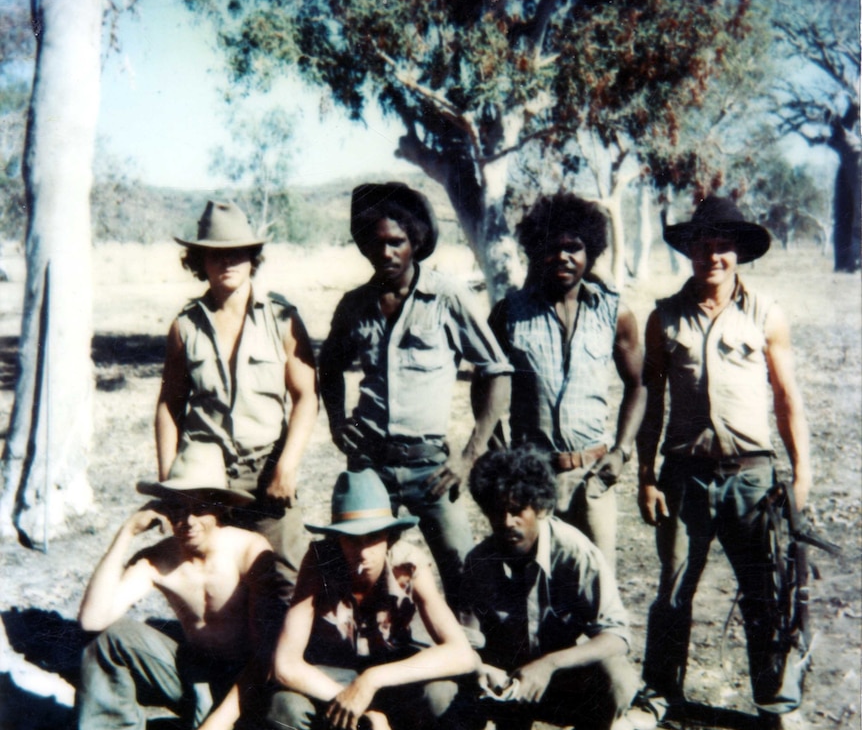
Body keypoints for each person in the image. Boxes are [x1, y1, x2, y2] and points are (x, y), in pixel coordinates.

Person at [632, 196, 814, 730]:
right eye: (704, 243)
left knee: (767, 594)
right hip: (684, 475)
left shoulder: (765, 313)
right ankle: (660, 695)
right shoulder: (663, 316)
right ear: (689, 249)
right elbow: (650, 399)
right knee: (673, 590)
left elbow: (786, 398)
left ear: (738, 252)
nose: (714, 254)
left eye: (724, 244)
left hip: (753, 478)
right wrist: (646, 474)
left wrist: (801, 472)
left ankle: (778, 710)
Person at [64, 458, 289, 730]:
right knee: (108, 638)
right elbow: (92, 619)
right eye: (177, 508)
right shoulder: (158, 559)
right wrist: (126, 534)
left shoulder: (250, 551)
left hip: (245, 687)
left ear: (220, 508)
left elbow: (265, 656)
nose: (188, 520)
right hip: (193, 671)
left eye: (200, 507)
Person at [318, 182, 512, 604]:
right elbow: (328, 365)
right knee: (362, 574)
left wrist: (468, 456)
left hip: (431, 470)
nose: (385, 252)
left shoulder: (447, 297)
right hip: (368, 467)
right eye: (375, 243)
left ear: (415, 242)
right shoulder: (354, 305)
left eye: (396, 242)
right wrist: (337, 423)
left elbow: (497, 371)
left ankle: (472, 660)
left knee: (465, 573)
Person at [268, 469, 476, 730]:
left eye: (373, 537)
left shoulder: (409, 564)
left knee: (442, 695)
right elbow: (285, 665)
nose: (362, 551)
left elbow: (461, 653)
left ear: (390, 537)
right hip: (334, 681)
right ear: (336, 537)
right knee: (285, 710)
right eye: (351, 538)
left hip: (393, 678)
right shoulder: (318, 561)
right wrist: (362, 708)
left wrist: (372, 681)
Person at [459, 447, 639, 730]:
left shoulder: (574, 552)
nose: (506, 521)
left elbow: (617, 635)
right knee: (451, 684)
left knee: (618, 678)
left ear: (539, 508)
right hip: (507, 680)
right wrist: (480, 669)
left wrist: (549, 665)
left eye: (517, 510)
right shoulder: (479, 560)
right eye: (496, 511)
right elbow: (467, 639)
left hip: (561, 679)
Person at [156, 201, 319, 587]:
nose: (226, 261)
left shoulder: (281, 318)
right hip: (204, 476)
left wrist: (287, 466)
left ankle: (287, 649)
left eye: (236, 252)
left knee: (289, 576)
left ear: (252, 257)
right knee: (215, 576)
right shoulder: (185, 326)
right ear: (199, 260)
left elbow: (307, 396)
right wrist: (170, 484)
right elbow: (169, 406)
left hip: (266, 472)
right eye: (215, 254)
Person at [485, 193, 645, 571]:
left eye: (574, 248)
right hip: (531, 478)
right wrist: (503, 461)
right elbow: (485, 392)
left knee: (595, 585)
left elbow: (640, 385)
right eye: (552, 248)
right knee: (531, 587)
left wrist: (621, 452)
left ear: (590, 252)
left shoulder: (614, 313)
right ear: (537, 250)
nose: (563, 257)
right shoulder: (509, 314)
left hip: (593, 475)